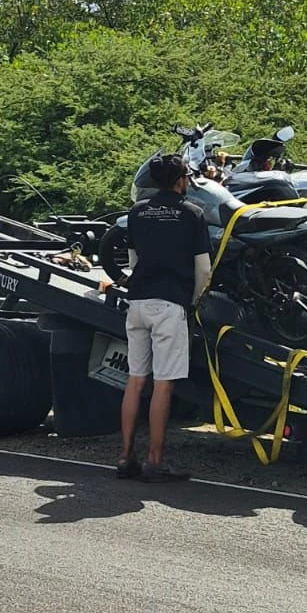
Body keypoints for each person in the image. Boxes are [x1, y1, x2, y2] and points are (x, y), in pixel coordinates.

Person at [114, 152, 212, 482]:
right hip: (169, 306)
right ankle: (154, 461)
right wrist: (195, 301)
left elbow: (132, 261)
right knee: (163, 385)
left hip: (138, 302)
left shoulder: (137, 212)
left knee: (136, 379)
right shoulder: (192, 214)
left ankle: (125, 458)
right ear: (180, 180)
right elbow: (203, 269)